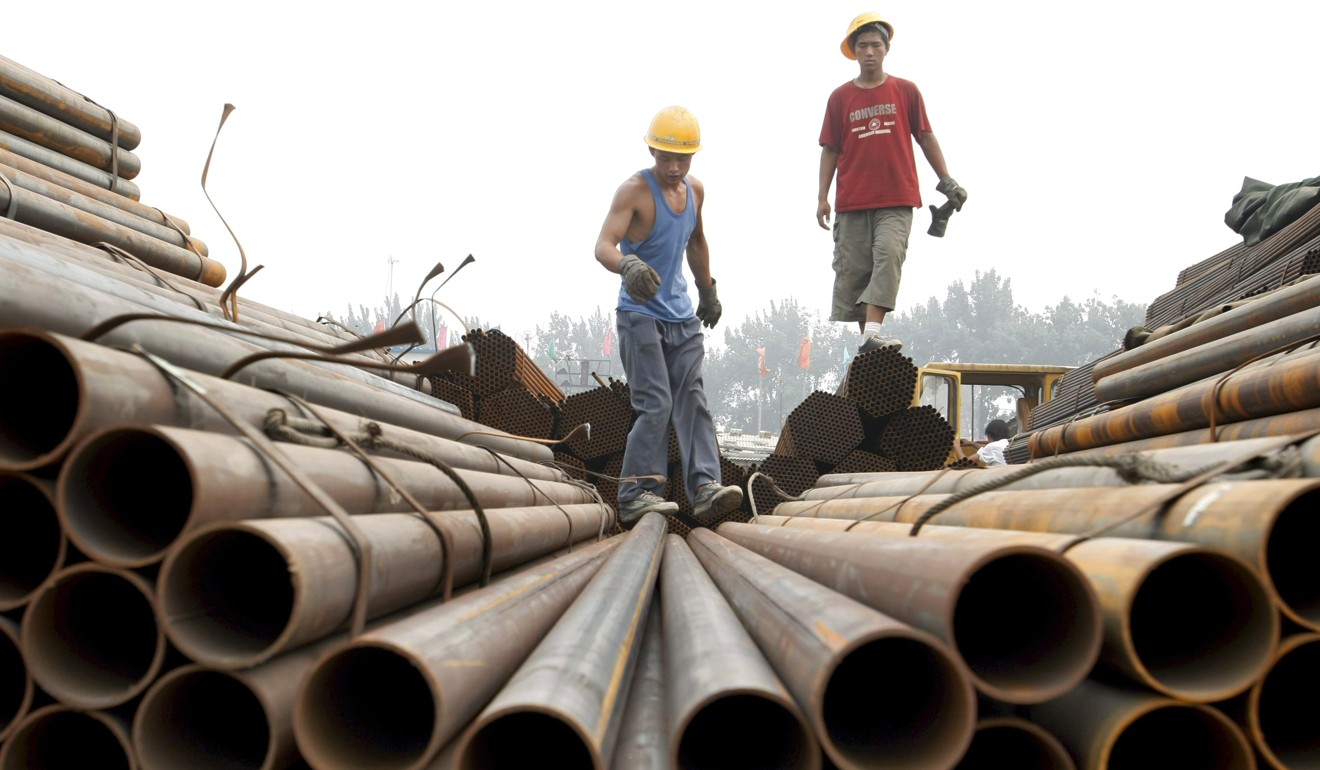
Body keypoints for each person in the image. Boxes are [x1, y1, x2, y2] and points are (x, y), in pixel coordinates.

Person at [594, 105, 744, 528]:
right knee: (655, 402)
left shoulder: (695, 191)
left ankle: (705, 489)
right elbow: (604, 245)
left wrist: (707, 288)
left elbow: (696, 240)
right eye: (665, 157)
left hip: (680, 316)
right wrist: (627, 265)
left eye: (683, 158)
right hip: (640, 314)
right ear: (651, 150)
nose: (674, 167)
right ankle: (636, 493)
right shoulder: (633, 192)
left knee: (692, 399)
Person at [816, 12, 968, 354]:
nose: (869, 51)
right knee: (856, 271)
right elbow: (830, 149)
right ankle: (868, 341)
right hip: (852, 200)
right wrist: (822, 196)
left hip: (896, 197)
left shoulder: (905, 91)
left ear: (887, 48)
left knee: (888, 255)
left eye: (875, 45)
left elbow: (925, 136)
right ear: (853, 51)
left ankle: (872, 332)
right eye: (862, 46)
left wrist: (946, 180)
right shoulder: (840, 98)